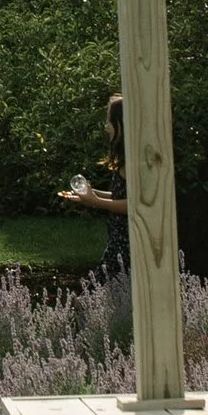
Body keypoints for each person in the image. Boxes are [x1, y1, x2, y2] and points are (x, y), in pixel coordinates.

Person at [60, 94, 134, 280]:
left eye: (110, 121)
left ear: (122, 124)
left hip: (127, 242)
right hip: (118, 240)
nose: (106, 127)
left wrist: (96, 201)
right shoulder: (125, 158)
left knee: (96, 293)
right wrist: (91, 194)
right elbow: (121, 195)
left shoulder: (132, 163)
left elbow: (134, 204)